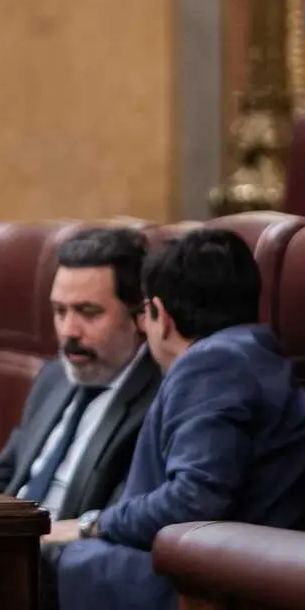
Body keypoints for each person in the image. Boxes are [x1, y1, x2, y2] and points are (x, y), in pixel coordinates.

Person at [54, 228, 305, 610]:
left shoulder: (211, 364)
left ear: (160, 315)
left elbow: (194, 499)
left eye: (143, 314)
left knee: (35, 562)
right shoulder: (256, 353)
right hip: (230, 572)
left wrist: (93, 525)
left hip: (195, 587)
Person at [0, 227, 161, 525]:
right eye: (60, 311)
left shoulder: (158, 401)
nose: (69, 331)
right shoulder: (53, 378)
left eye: (88, 312)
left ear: (140, 315)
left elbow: (119, 521)